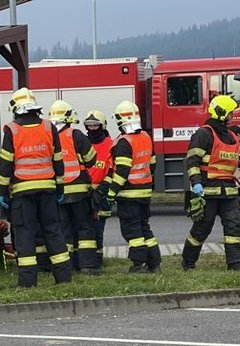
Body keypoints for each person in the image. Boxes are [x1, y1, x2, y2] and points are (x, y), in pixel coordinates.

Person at [0, 87, 70, 288]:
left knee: (25, 234)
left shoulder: (11, 129)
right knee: (53, 232)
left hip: (22, 192)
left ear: (15, 108)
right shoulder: (49, 127)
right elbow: (58, 161)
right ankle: (63, 278)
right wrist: (60, 187)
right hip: (48, 190)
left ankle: (28, 281)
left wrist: (2, 193)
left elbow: (6, 165)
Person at [181, 95, 240, 271]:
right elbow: (192, 161)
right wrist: (196, 183)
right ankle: (188, 261)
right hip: (208, 192)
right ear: (222, 113)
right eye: (230, 113)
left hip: (229, 193)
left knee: (234, 228)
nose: (233, 117)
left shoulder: (232, 136)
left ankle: (235, 264)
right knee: (201, 229)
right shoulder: (204, 134)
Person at [103, 100, 160, 273]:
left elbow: (122, 172)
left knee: (132, 231)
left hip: (128, 195)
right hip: (144, 192)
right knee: (144, 227)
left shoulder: (123, 143)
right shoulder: (145, 137)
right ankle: (154, 263)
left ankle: (139, 264)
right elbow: (152, 163)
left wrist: (111, 192)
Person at [49, 100, 100, 274]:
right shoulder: (76, 134)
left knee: (65, 231)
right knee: (85, 228)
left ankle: (67, 266)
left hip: (60, 192)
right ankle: (87, 265)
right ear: (69, 116)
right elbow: (91, 159)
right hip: (79, 191)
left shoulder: (48, 135)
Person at [85, 110, 114, 268]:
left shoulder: (110, 144)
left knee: (97, 229)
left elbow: (112, 171)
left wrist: (102, 190)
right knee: (83, 228)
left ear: (102, 126)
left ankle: (97, 261)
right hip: (84, 193)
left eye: (95, 125)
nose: (92, 129)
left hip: (101, 194)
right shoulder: (83, 142)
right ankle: (85, 259)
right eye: (89, 126)